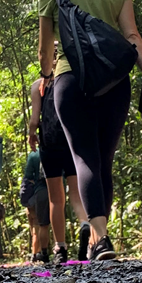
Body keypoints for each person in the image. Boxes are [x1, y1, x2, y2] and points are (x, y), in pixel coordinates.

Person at [38, 0, 142, 261]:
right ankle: (98, 239)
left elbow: (45, 54)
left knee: (84, 158)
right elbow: (133, 37)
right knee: (103, 159)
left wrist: (48, 75)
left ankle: (100, 238)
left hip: (69, 81)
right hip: (114, 82)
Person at [28, 76, 91, 263]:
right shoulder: (74, 78)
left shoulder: (38, 86)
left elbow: (34, 120)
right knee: (76, 194)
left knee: (56, 198)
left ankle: (61, 248)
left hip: (50, 144)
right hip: (73, 141)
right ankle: (85, 223)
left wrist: (32, 134)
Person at [19, 149, 51, 262]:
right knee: (54, 223)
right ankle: (60, 250)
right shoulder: (58, 150)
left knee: (38, 226)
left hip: (37, 195)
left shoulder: (33, 155)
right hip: (55, 191)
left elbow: (28, 175)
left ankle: (40, 253)